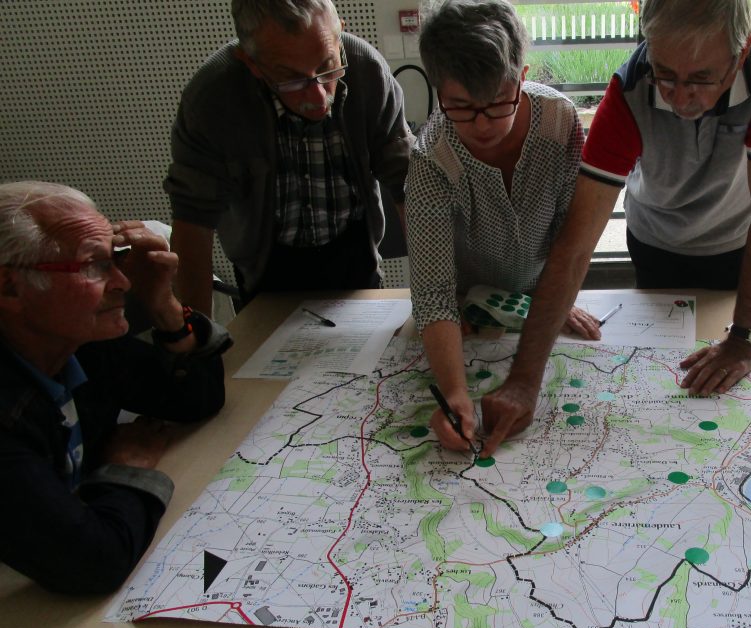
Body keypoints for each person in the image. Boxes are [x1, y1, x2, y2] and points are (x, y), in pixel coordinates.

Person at [476, 0, 751, 456]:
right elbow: (575, 245)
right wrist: (524, 382)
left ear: (742, 49)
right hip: (656, 237)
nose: (679, 97)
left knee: (726, 373)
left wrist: (746, 339)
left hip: (736, 242)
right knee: (666, 361)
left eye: (701, 79)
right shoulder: (630, 90)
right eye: (665, 74)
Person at [0, 181, 232, 594]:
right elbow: (93, 563)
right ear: (10, 287)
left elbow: (196, 399)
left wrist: (164, 305)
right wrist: (126, 466)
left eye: (117, 259)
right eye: (95, 265)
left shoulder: (76, 344)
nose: (123, 282)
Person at [406, 0, 593, 454]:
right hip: (467, 306)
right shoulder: (432, 157)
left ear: (522, 76)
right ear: (438, 91)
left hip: (541, 289)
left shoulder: (560, 121)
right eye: (461, 107)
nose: (483, 124)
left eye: (497, 103)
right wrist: (453, 391)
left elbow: (573, 234)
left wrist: (555, 297)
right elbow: (432, 291)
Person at [167, 0, 414, 314]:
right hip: (265, 276)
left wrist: (436, 298)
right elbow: (192, 223)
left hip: (356, 263)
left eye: (327, 67)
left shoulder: (366, 69)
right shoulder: (212, 98)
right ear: (251, 62)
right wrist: (196, 339)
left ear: (340, 35)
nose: (318, 97)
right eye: (292, 79)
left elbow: (409, 186)